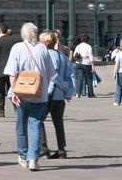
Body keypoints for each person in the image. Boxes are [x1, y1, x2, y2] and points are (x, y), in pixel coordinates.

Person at [3, 21, 50, 173]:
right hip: (39, 93)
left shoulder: (18, 48)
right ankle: (33, 159)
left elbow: (12, 72)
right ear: (36, 34)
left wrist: (15, 91)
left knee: (21, 126)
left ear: (23, 34)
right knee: (35, 125)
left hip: (21, 93)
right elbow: (50, 72)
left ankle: (23, 156)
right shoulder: (43, 48)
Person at [41, 31, 74, 160]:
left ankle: (43, 146)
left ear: (45, 43)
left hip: (50, 93)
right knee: (58, 123)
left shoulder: (48, 56)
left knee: (37, 119)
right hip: (60, 96)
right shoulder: (62, 56)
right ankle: (61, 149)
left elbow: (52, 75)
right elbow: (70, 74)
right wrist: (68, 91)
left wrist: (61, 85)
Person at [0, 21, 19, 117]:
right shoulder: (15, 41)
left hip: (1, 70)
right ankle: (18, 108)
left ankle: (1, 110)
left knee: (1, 91)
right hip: (13, 70)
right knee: (14, 89)